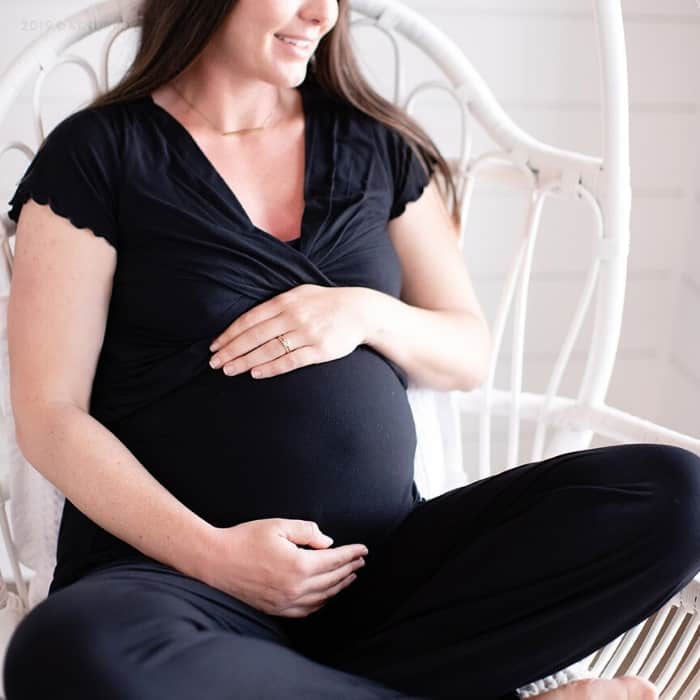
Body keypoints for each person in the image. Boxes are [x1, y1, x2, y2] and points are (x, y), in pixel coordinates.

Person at [2, 1, 699, 698]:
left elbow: (467, 351)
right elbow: (51, 415)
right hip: (179, 587)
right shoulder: (98, 155)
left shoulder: (377, 148)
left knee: (678, 494)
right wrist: (213, 556)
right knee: (63, 653)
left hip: (388, 579)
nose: (321, 15)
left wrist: (364, 313)